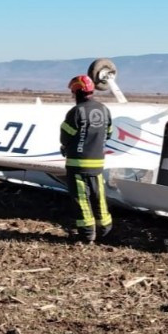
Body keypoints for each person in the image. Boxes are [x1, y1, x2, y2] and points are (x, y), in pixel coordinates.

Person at [59, 75, 113, 243]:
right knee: (99, 198)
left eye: (73, 92)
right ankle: (105, 230)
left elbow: (65, 137)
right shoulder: (104, 110)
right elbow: (108, 133)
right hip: (98, 163)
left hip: (78, 164)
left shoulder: (76, 112)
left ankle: (87, 234)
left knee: (82, 200)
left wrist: (69, 146)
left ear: (78, 92)